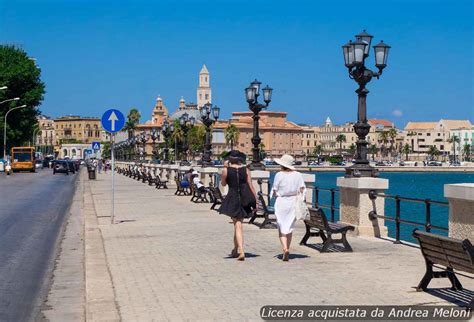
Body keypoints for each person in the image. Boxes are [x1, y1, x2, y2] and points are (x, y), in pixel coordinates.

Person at [219, 150, 257, 261]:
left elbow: (223, 184)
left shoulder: (226, 170)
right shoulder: (246, 169)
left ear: (230, 159)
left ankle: (241, 250)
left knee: (238, 225)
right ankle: (235, 249)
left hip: (233, 198)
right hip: (244, 197)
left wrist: (225, 168)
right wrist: (255, 199)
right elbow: (250, 185)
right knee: (237, 224)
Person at [271, 154, 306, 261]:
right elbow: (302, 189)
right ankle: (287, 248)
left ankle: (285, 248)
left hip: (282, 202)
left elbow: (275, 189)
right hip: (293, 202)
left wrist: (276, 194)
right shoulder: (298, 175)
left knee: (281, 227)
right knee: (289, 227)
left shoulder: (279, 175)